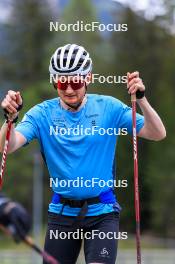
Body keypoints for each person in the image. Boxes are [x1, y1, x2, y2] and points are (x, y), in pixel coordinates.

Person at [0, 44, 166, 264]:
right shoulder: (42, 114)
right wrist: (9, 120)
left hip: (102, 213)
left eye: (76, 82)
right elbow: (7, 147)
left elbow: (157, 133)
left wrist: (141, 99)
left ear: (88, 78)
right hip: (62, 213)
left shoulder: (109, 108)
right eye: (62, 82)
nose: (69, 89)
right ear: (54, 81)